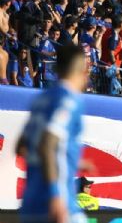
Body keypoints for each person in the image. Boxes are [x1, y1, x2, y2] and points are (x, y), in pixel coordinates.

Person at [17, 45, 89, 223]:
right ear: (82, 69)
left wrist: (68, 159)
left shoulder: (41, 99)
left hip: (31, 203)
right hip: (57, 203)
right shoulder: (69, 100)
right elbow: (47, 143)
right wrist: (55, 194)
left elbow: (22, 146)